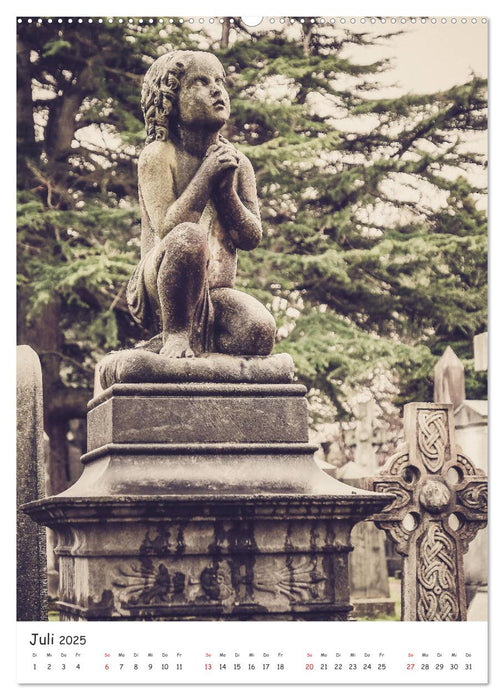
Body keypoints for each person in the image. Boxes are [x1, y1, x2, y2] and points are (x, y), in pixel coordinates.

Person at [127, 50, 276, 359]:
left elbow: (251, 238)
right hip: (163, 284)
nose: (217, 89)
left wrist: (226, 195)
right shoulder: (158, 155)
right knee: (188, 237)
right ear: (170, 100)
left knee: (260, 331)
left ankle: (207, 354)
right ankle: (176, 336)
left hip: (215, 290)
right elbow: (169, 229)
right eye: (201, 82)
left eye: (219, 81)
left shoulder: (238, 163)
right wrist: (206, 176)